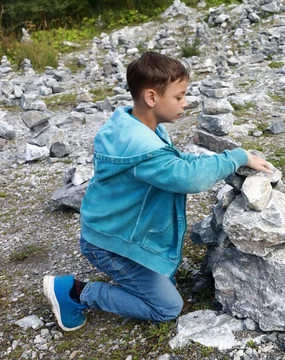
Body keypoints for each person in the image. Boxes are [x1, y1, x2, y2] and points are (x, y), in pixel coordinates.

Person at [43, 52, 272, 331]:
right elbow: (189, 178)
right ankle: (76, 292)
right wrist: (235, 157)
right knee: (166, 307)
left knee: (164, 279)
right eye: (179, 97)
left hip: (114, 231)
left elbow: (176, 162)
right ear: (152, 98)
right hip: (109, 245)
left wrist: (217, 159)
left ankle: (135, 278)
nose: (185, 104)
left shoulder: (139, 128)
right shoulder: (141, 149)